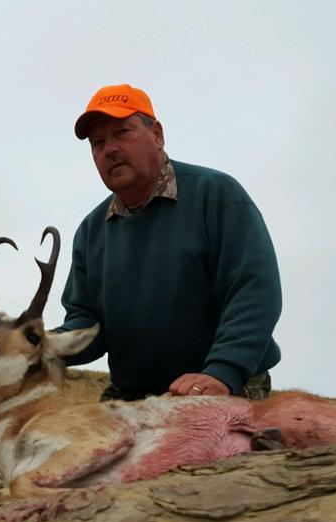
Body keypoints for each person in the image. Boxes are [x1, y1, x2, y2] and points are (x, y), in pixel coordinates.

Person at [57, 83, 282, 403]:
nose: (110, 149)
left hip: (221, 385)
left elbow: (254, 291)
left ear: (157, 135)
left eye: (123, 132)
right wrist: (33, 346)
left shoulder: (216, 195)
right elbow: (86, 326)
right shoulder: (92, 231)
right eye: (98, 143)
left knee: (203, 450)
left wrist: (222, 371)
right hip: (134, 396)